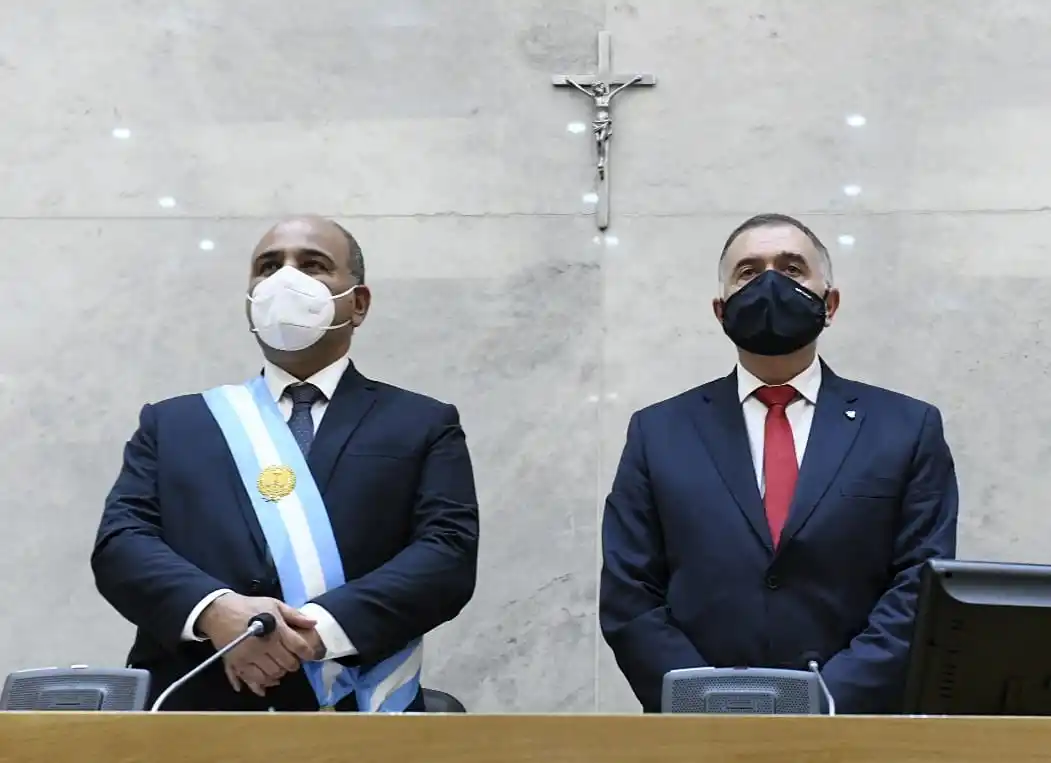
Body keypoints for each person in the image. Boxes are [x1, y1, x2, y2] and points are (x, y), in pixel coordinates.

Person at [92, 216, 479, 712]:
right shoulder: (174, 424)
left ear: (357, 303)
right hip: (194, 707)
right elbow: (121, 544)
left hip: (355, 708)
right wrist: (218, 612)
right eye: (268, 267)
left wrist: (311, 634)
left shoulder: (422, 423)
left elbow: (446, 555)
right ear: (250, 302)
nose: (285, 280)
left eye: (313, 266)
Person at [600, 213, 958, 714]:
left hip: (855, 731)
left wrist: (827, 701)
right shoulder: (657, 432)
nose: (770, 283)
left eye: (792, 269)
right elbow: (629, 593)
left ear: (829, 303)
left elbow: (920, 585)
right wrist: (706, 703)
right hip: (697, 735)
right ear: (721, 309)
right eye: (748, 272)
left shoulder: (906, 428)